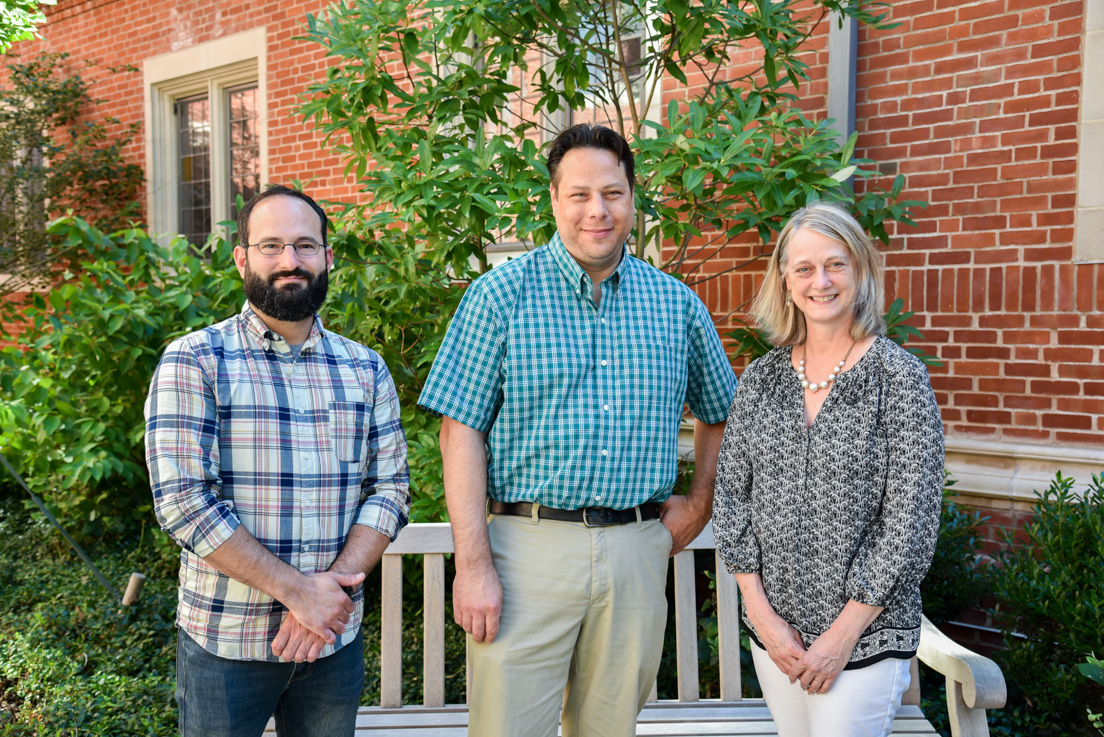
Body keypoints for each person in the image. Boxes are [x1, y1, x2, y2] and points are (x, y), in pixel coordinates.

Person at [417, 123, 736, 737]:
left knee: (609, 729)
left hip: (638, 550)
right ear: (555, 200)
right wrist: (473, 564)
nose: (598, 210)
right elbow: (460, 433)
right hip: (525, 549)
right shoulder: (499, 296)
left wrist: (699, 501)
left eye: (613, 194)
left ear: (633, 200)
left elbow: (720, 410)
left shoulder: (675, 304)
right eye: (580, 194)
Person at [145, 184, 410, 737]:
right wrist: (298, 593)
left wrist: (326, 598)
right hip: (226, 646)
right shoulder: (195, 360)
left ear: (327, 257)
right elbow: (184, 502)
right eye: (271, 246)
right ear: (242, 258)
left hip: (332, 644)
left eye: (305, 245)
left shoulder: (365, 369)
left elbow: (389, 490)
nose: (290, 261)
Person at [712, 201, 943, 737]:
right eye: (805, 268)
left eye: (836, 264)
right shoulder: (761, 380)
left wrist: (839, 640)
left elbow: (908, 526)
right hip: (777, 639)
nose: (822, 281)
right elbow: (731, 502)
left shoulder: (900, 380)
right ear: (786, 282)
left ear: (859, 270)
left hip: (864, 641)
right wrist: (765, 620)